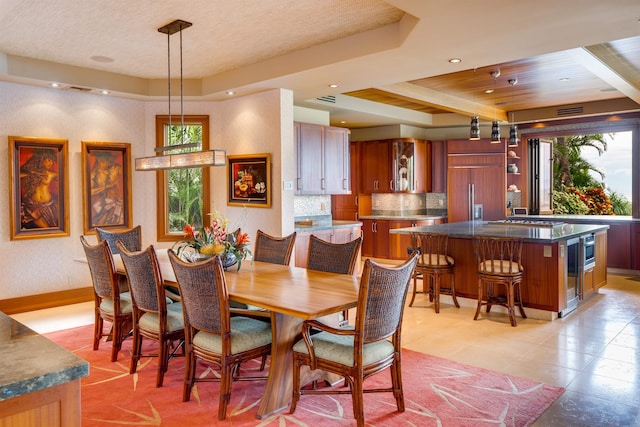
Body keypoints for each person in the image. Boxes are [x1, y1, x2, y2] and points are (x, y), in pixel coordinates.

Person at [19, 149, 59, 229]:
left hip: (48, 206)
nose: (51, 163)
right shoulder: (30, 172)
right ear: (41, 159)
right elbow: (17, 175)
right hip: (32, 206)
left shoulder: (51, 174)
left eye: (52, 161)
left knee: (51, 229)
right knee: (45, 229)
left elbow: (65, 178)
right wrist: (32, 173)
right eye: (49, 160)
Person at [90, 151, 124, 226]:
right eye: (102, 160)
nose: (105, 163)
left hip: (118, 201)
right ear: (98, 160)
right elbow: (90, 192)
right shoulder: (93, 175)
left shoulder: (116, 168)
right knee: (96, 215)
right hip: (104, 201)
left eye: (107, 160)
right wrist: (106, 187)